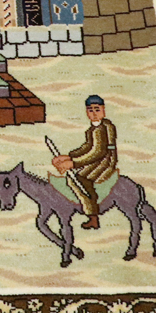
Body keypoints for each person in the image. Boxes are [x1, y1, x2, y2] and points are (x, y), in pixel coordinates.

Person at [51, 94, 117, 230]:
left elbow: (98, 152)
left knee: (81, 180)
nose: (94, 113)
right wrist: (69, 156)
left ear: (103, 110)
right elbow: (87, 147)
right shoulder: (93, 129)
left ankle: (93, 216)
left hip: (105, 161)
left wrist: (73, 163)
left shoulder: (102, 128)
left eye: (97, 109)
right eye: (90, 110)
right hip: (98, 159)